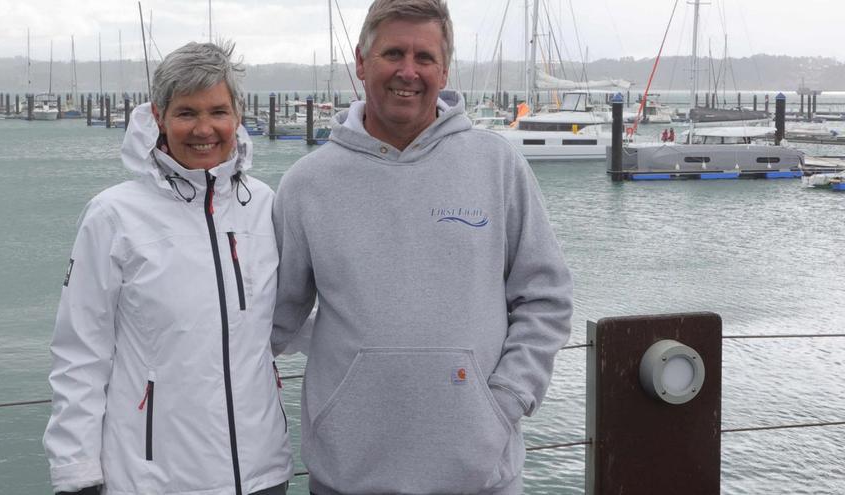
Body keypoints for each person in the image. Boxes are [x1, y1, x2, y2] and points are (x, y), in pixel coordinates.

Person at [271, 1, 573, 493]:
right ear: (361, 62)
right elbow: (272, 318)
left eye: (424, 57)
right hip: (349, 475)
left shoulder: (496, 164)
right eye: (393, 53)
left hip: (481, 475)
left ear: (444, 68)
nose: (407, 72)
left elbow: (546, 296)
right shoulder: (308, 183)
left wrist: (507, 398)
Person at [43, 42, 292, 495]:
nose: (203, 129)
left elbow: (287, 319)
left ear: (237, 114)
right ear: (158, 116)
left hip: (262, 475)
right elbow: (80, 353)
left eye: (218, 111)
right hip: (154, 480)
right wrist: (76, 473)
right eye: (185, 113)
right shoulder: (113, 216)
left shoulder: (264, 205)